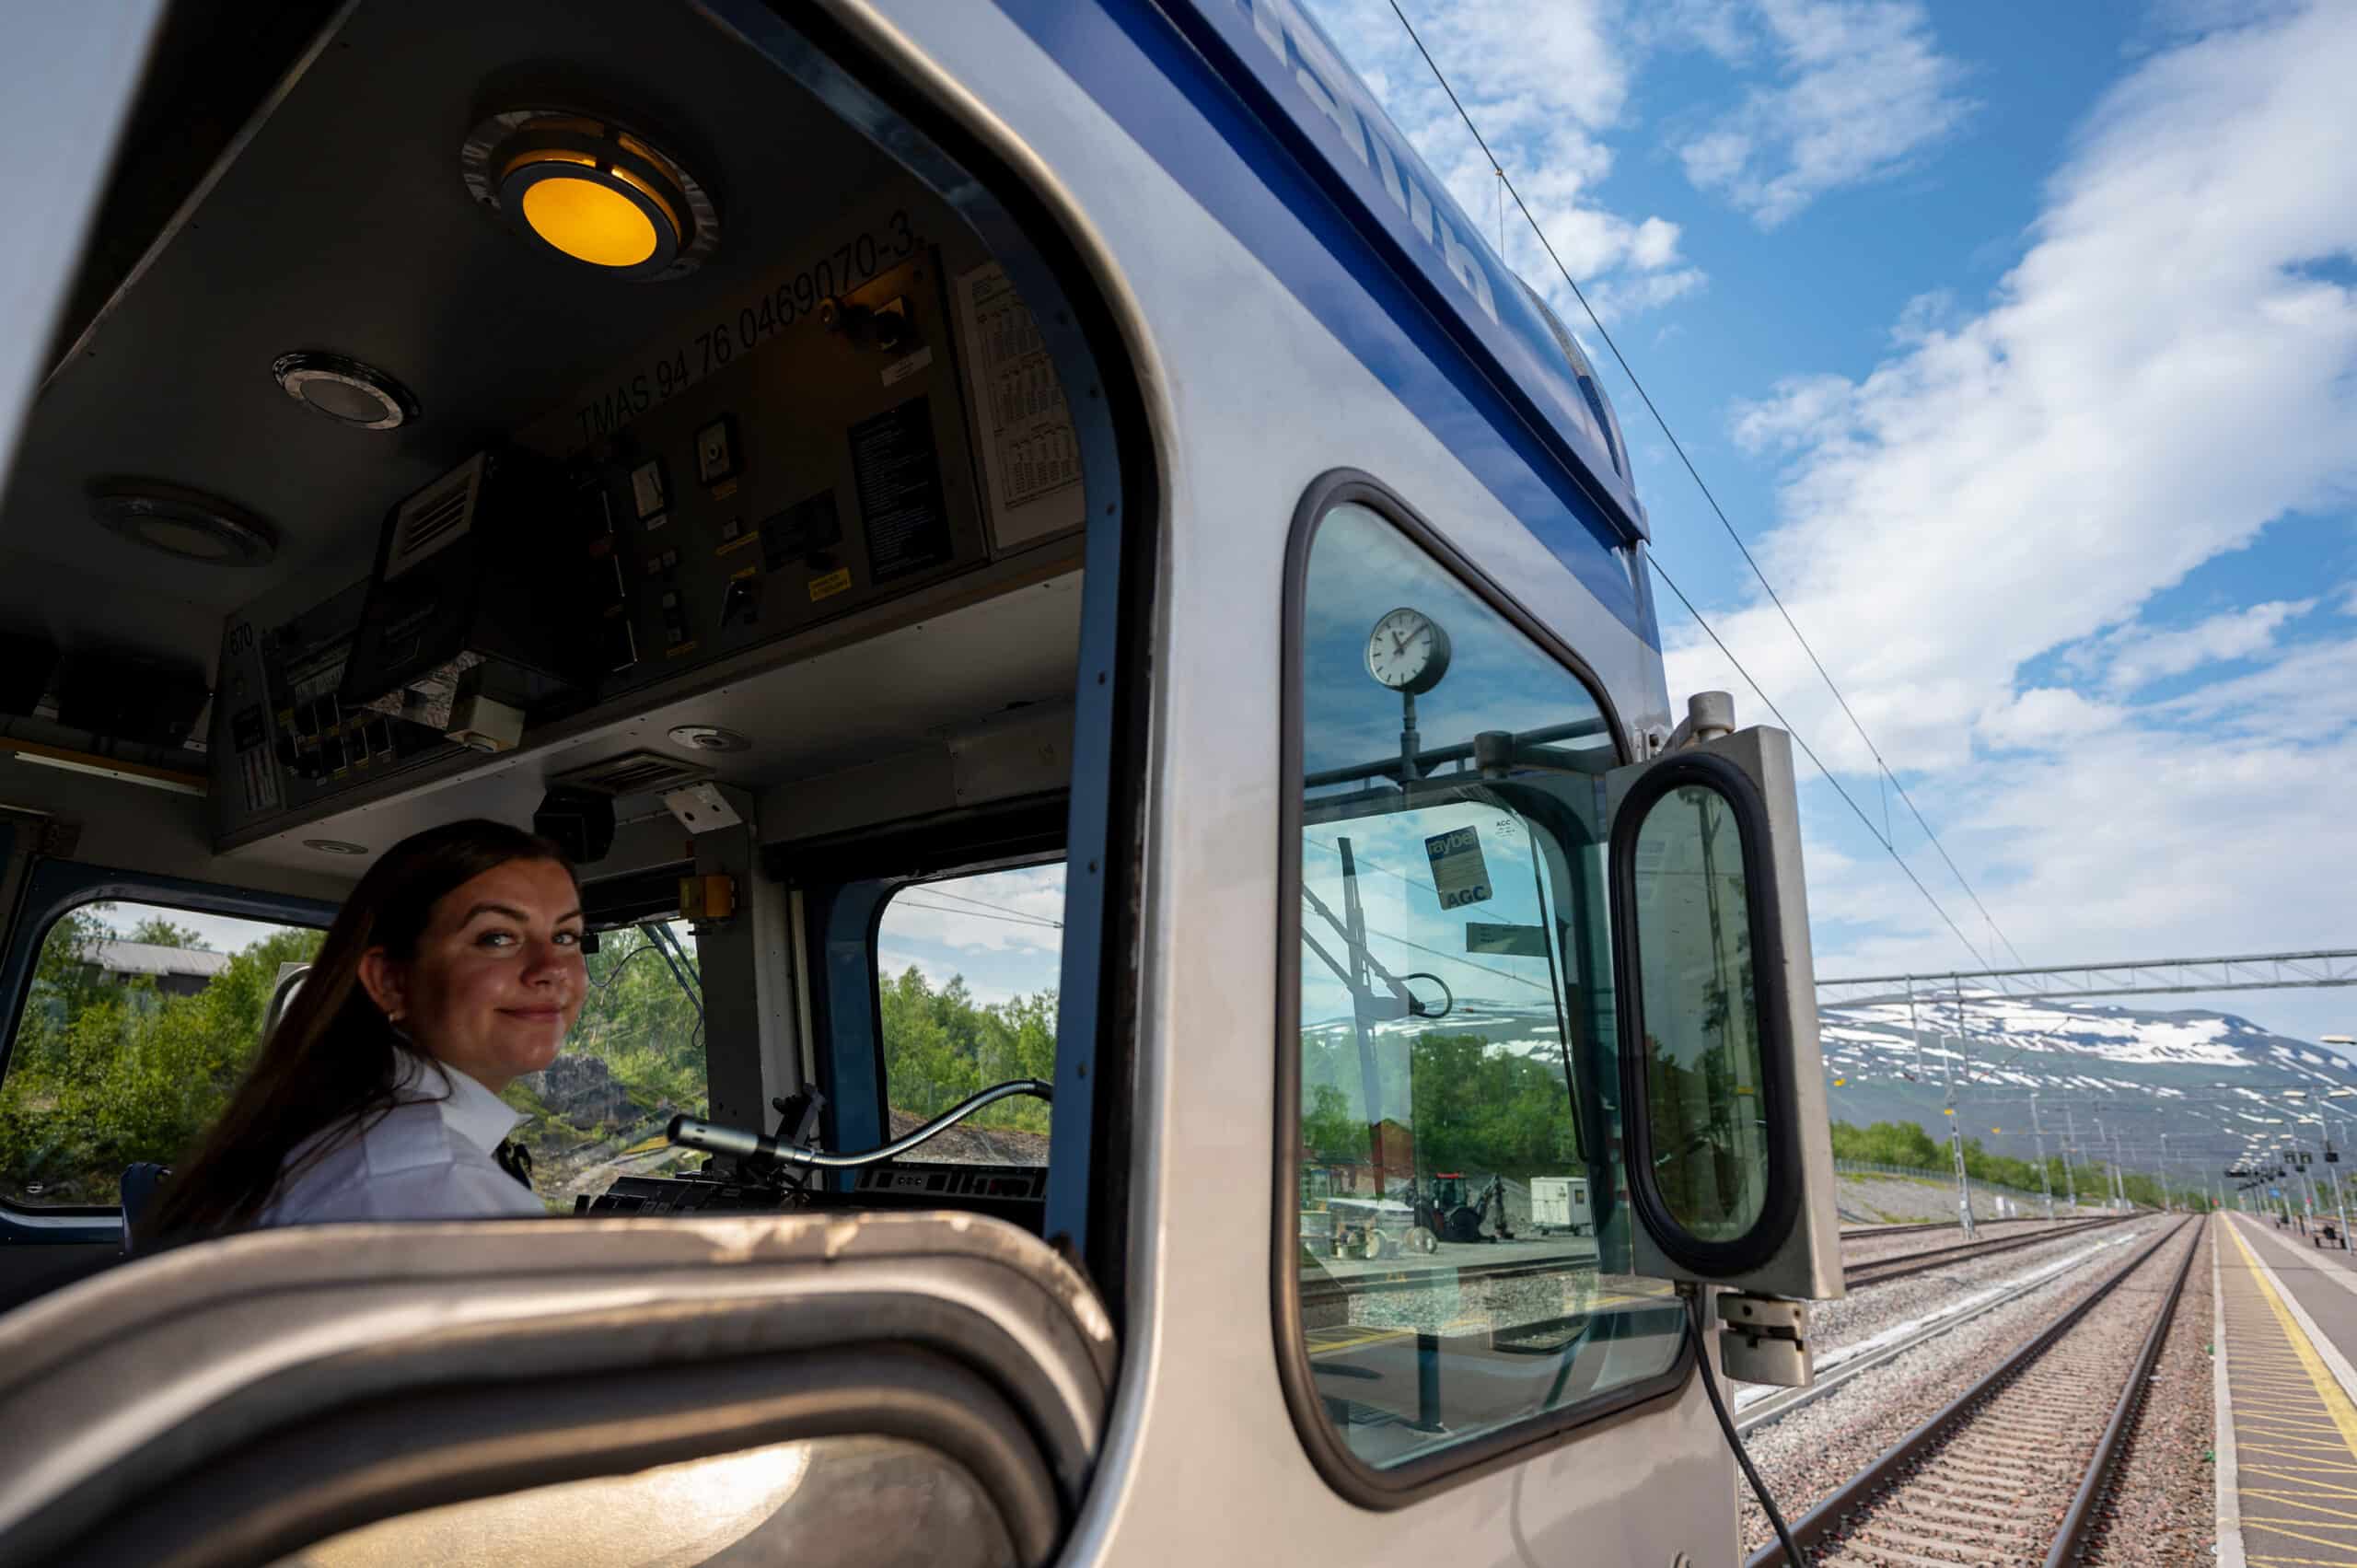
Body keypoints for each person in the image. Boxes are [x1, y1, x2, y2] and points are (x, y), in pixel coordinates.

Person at [141, 819, 586, 1242]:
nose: (551, 970)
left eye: (566, 937)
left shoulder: (336, 1130)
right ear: (390, 982)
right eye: (497, 937)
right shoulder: (443, 1195)